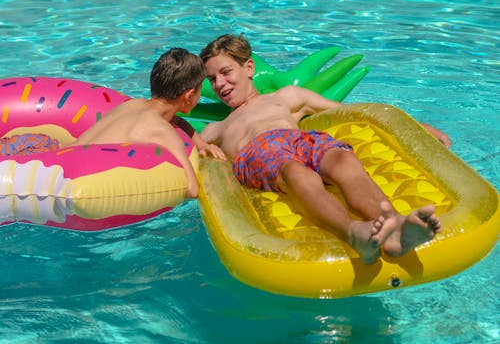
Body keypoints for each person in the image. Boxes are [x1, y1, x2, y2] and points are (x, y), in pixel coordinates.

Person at [199, 34, 442, 264]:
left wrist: (414, 126)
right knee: (295, 172)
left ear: (249, 68)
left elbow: (349, 111)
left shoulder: (285, 96)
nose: (220, 83)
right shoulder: (216, 129)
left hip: (302, 140)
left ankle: (394, 228)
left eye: (226, 72)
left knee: (343, 161)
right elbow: (189, 152)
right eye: (212, 79)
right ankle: (353, 232)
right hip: (260, 153)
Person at [1, 48, 225, 198]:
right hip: (54, 172)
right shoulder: (161, 131)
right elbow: (192, 189)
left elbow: (176, 119)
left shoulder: (134, 104)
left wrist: (201, 143)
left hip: (42, 146)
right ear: (189, 96)